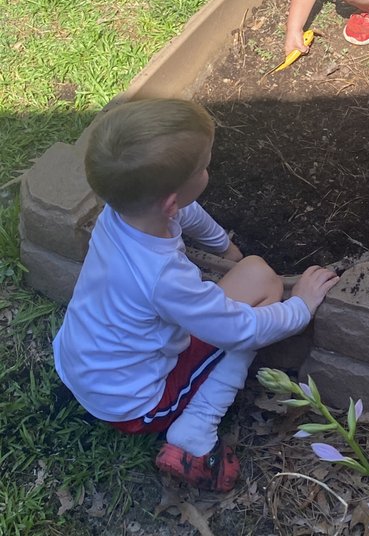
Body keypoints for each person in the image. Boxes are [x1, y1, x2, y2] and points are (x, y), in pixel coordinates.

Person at [53, 99, 338, 492]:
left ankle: (159, 405)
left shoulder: (122, 214)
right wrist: (301, 306)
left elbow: (182, 213)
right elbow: (241, 330)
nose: (208, 168)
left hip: (82, 364)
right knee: (266, 295)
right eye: (203, 166)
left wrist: (225, 248)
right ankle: (195, 430)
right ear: (170, 199)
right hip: (137, 405)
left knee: (254, 271)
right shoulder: (162, 276)